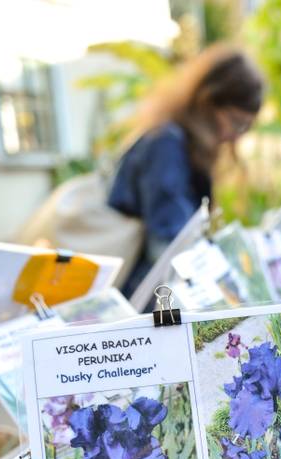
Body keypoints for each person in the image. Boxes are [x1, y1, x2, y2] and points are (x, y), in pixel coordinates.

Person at [108, 44, 264, 295]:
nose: (235, 137)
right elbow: (170, 243)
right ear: (207, 102)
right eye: (236, 123)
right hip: (142, 299)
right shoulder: (166, 144)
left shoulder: (180, 143)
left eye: (245, 128)